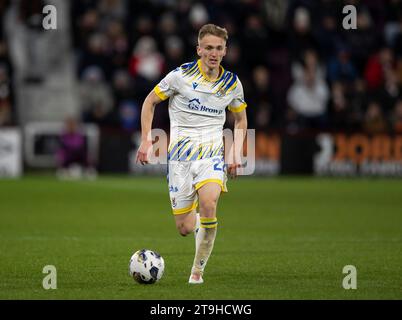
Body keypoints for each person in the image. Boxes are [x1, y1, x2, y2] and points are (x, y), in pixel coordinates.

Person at [136, 24, 248, 284]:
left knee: (209, 204)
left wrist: (234, 153)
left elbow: (240, 120)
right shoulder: (180, 76)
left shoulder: (232, 83)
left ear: (225, 51)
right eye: (208, 47)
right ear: (199, 50)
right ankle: (200, 224)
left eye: (219, 48)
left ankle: (197, 272)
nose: (213, 53)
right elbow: (149, 102)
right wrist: (145, 140)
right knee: (185, 228)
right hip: (180, 161)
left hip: (211, 158)